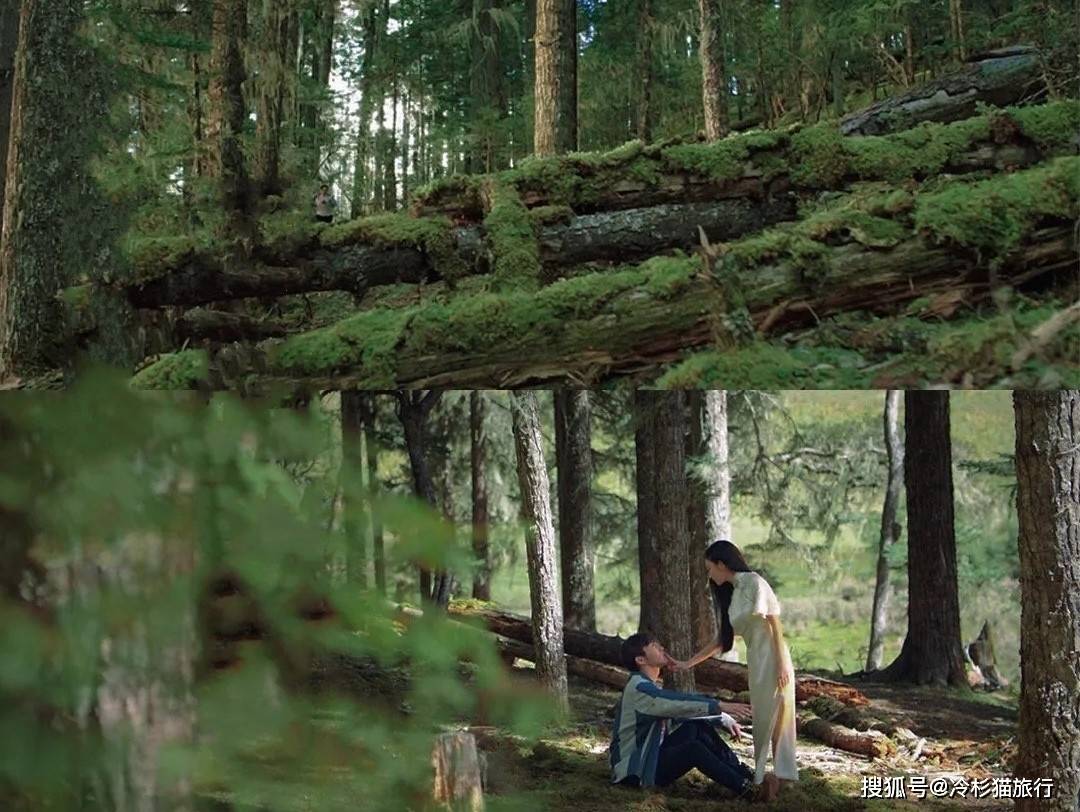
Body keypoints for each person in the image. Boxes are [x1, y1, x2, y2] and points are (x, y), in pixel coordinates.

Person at [669, 540, 799, 794]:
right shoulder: (732, 595)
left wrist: (782, 664)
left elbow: (774, 622)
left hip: (773, 657)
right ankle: (764, 777)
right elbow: (722, 641)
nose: (709, 575)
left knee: (780, 713)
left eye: (709, 569)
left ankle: (783, 777)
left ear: (721, 564)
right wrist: (687, 664)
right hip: (757, 661)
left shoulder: (753, 582)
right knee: (763, 717)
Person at [609, 631, 776, 801]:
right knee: (693, 750)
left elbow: (679, 713)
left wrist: (721, 717)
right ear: (640, 660)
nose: (662, 648)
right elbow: (677, 703)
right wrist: (718, 705)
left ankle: (748, 776)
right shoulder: (639, 688)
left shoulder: (645, 686)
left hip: (651, 756)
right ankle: (748, 790)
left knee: (696, 728)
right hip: (634, 770)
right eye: (654, 646)